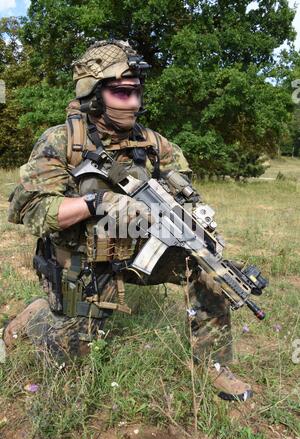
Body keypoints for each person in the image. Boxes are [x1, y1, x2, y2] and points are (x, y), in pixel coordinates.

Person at [4, 40, 252, 402]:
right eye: (122, 93)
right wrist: (97, 202)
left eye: (136, 92)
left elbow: (182, 185)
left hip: (138, 249)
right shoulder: (61, 142)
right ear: (93, 95)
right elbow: (34, 212)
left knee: (208, 268)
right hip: (82, 260)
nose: (133, 102)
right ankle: (34, 316)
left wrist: (196, 220)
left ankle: (213, 366)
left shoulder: (151, 142)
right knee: (73, 361)